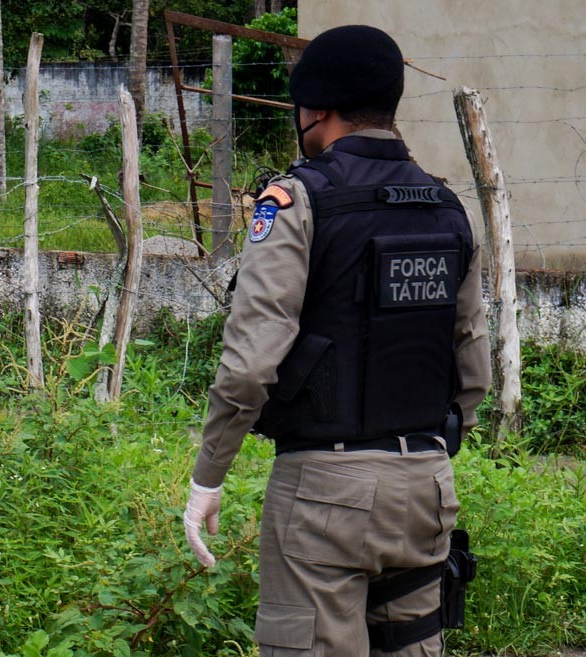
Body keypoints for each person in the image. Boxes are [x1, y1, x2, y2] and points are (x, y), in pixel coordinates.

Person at [183, 25, 490, 657]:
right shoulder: (446, 207)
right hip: (428, 485)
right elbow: (473, 363)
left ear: (315, 108)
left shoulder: (295, 201)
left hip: (324, 492)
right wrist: (423, 451)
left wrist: (209, 474)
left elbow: (251, 364)